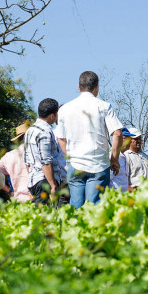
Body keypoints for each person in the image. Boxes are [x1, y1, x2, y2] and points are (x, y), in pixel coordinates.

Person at [55, 71, 124, 207]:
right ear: (96, 87)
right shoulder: (104, 106)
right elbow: (117, 133)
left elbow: (61, 139)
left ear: (79, 87)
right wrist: (114, 159)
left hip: (75, 165)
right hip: (98, 164)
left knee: (76, 206)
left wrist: (70, 157)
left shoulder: (64, 109)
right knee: (94, 208)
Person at [24, 98, 69, 205]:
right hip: (44, 182)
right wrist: (53, 185)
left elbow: (27, 161)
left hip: (34, 180)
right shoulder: (45, 131)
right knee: (46, 218)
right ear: (52, 116)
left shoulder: (30, 130)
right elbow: (46, 161)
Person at [0, 123, 33, 202]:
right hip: (38, 197)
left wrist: (8, 190)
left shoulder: (9, 156)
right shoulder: (37, 151)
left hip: (19, 199)